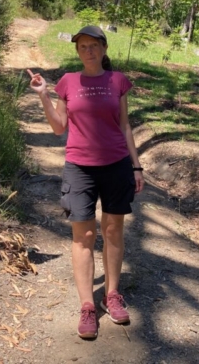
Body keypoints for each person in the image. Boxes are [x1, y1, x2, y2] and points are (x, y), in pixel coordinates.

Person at [26, 25, 144, 339]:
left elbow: (125, 126)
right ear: (77, 52)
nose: (88, 51)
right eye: (82, 46)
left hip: (117, 165)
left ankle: (113, 294)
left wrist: (136, 166)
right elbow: (58, 127)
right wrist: (44, 97)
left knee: (112, 229)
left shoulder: (117, 81)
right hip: (79, 168)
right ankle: (87, 306)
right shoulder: (68, 82)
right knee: (84, 235)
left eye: (93, 45)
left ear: (104, 49)